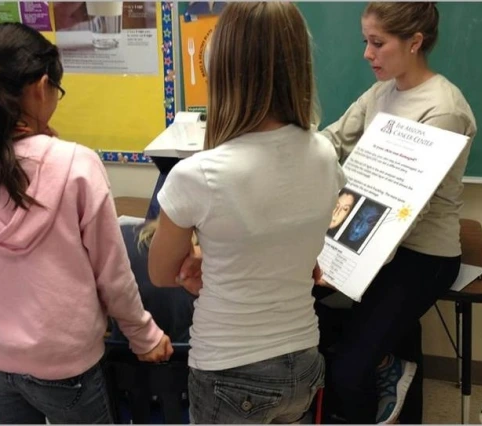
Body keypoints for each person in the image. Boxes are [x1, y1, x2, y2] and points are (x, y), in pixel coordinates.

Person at [0, 22, 172, 424]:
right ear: (42, 87)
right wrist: (144, 335)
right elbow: (112, 273)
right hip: (66, 365)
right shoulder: (76, 164)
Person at [147, 3, 345, 423]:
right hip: (304, 363)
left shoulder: (197, 175)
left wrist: (203, 257)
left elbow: (162, 273)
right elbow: (300, 257)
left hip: (230, 370)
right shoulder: (326, 155)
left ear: (223, 69)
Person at [319, 2, 476, 424]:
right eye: (365, 42)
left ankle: (384, 375)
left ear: (415, 42)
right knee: (326, 322)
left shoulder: (443, 109)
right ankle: (393, 373)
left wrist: (345, 260)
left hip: (422, 253)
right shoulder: (382, 91)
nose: (367, 54)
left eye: (377, 43)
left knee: (350, 369)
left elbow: (411, 212)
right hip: (371, 240)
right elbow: (333, 140)